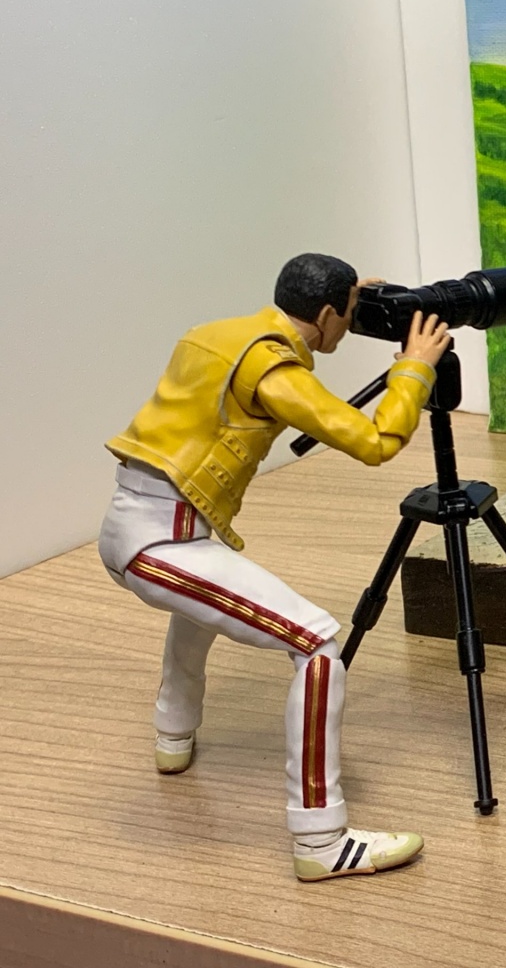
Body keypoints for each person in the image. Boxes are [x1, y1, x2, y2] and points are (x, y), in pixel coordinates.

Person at [98, 253, 451, 882]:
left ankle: (173, 735)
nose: (349, 325)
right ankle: (321, 841)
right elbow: (376, 442)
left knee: (203, 606)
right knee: (317, 646)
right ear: (325, 313)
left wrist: (353, 294)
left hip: (156, 525)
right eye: (347, 313)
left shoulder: (217, 334)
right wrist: (414, 369)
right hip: (159, 545)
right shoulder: (272, 369)